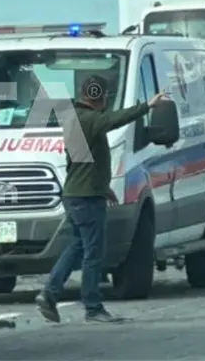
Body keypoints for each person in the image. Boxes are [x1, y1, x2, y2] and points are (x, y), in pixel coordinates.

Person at [36, 74, 168, 324]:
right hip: (86, 198)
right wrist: (147, 106)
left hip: (78, 192)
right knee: (93, 253)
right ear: (101, 97)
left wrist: (102, 186)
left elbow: (81, 161)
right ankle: (92, 307)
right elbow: (114, 120)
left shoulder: (75, 118)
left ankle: (49, 294)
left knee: (77, 247)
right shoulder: (88, 119)